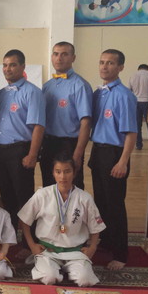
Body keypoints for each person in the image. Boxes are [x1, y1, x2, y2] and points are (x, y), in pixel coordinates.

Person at [19, 155, 106, 287]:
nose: (63, 176)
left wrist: (92, 247)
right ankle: (53, 269)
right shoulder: (43, 194)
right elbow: (24, 220)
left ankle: (71, 269)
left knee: (85, 280)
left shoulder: (84, 198)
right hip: (48, 251)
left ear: (74, 173)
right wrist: (32, 245)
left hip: (75, 251)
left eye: (67, 171)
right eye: (58, 172)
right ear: (53, 173)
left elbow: (96, 226)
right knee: (49, 278)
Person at [88, 49, 137, 271]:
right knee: (101, 202)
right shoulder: (98, 93)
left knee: (115, 204)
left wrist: (123, 161)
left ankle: (120, 253)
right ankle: (106, 241)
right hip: (98, 152)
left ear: (120, 67)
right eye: (101, 62)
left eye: (110, 63)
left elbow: (131, 133)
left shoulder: (124, 95)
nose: (104, 66)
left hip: (115, 154)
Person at [0, 49, 45, 231]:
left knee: (24, 197)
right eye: (5, 65)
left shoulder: (32, 92)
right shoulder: (1, 94)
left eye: (12, 65)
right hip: (2, 151)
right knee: (7, 196)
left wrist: (32, 155)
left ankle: (30, 240)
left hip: (21, 151)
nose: (8, 69)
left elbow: (38, 126)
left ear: (23, 67)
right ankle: (10, 234)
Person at [40, 42, 92, 189]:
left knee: (71, 188)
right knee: (49, 186)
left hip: (69, 145)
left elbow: (86, 122)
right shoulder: (47, 86)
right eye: (56, 54)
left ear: (73, 58)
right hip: (48, 143)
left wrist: (77, 154)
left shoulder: (80, 85)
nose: (59, 58)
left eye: (64, 54)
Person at [128, 63, 148, 150]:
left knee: (137, 125)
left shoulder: (132, 75)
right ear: (147, 69)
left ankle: (138, 145)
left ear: (139, 68)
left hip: (135, 103)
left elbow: (129, 91)